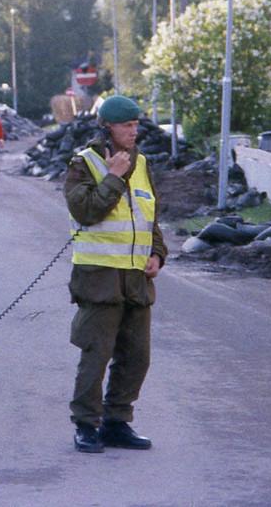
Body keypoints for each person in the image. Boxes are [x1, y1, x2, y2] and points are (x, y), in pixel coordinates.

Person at [63, 94, 167, 453]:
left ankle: (117, 422)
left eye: (136, 125)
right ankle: (86, 426)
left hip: (136, 279)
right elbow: (86, 210)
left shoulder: (143, 163)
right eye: (127, 125)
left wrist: (158, 252)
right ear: (108, 127)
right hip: (100, 279)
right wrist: (113, 177)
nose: (134, 131)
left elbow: (149, 213)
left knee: (137, 357)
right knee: (96, 355)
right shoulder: (84, 162)